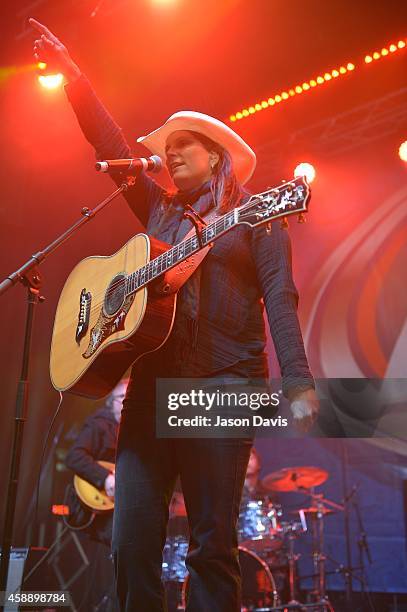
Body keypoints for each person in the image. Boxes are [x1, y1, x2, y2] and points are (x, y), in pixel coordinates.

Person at [30, 18, 319, 612]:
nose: (167, 154)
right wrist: (75, 81)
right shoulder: (160, 215)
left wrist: (298, 382)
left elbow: (281, 300)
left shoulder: (258, 216)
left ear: (215, 158)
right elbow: (111, 147)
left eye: (181, 145)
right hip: (151, 391)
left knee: (213, 545)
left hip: (224, 384)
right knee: (130, 547)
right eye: (165, 148)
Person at [65, 379, 127, 545]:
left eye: (130, 398)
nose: (125, 402)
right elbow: (74, 456)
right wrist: (105, 477)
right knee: (120, 537)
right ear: (111, 402)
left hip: (122, 502)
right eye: (121, 397)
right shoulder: (98, 424)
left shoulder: (135, 433)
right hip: (99, 504)